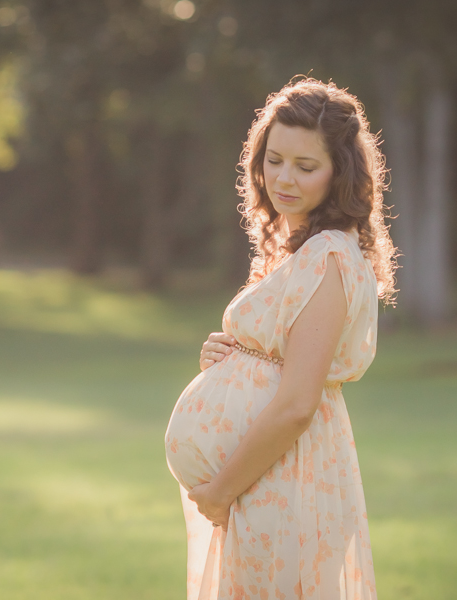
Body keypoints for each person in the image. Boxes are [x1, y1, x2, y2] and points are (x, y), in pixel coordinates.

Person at [164, 76, 397, 600]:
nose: (282, 178)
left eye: (305, 166)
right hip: (262, 479)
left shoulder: (328, 256)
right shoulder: (297, 250)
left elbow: (296, 403)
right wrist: (227, 356)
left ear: (340, 172)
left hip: (282, 478)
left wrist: (222, 491)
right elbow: (278, 358)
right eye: (274, 159)